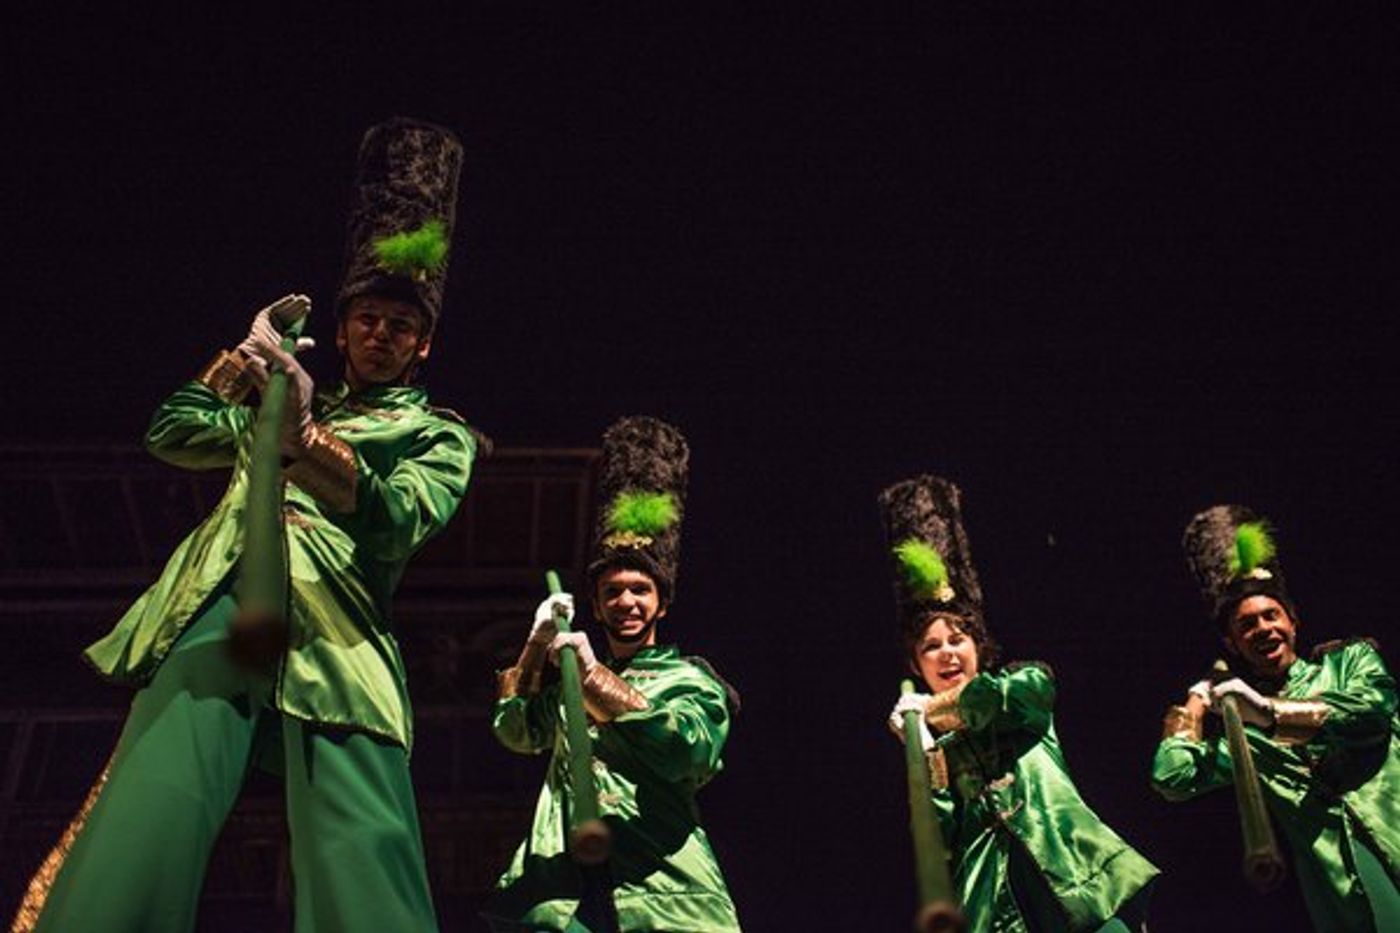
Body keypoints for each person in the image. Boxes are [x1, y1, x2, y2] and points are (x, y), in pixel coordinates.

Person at [15, 117, 476, 933]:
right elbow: (172, 432)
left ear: (424, 345)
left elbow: (402, 514)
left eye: (401, 326)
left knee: (359, 841)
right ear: (343, 328)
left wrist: (305, 440)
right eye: (368, 318)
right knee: (155, 797)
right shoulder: (282, 398)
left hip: (339, 631)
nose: (381, 334)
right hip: (224, 596)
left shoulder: (437, 433)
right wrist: (243, 358)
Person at [485, 416, 741, 932]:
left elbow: (688, 752)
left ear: (661, 604)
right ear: (597, 607)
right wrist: (535, 646)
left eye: (640, 590)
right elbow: (515, 730)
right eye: (612, 592)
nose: (626, 601)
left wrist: (594, 676)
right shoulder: (566, 682)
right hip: (564, 888)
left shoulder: (691, 680)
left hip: (661, 890)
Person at [881, 475, 1156, 933]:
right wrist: (926, 752)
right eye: (931, 646)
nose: (947, 652)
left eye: (957, 638)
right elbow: (939, 842)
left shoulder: (1020, 682)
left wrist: (930, 709)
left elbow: (1013, 698)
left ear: (978, 645)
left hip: (1083, 883)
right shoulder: (936, 748)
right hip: (998, 913)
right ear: (916, 664)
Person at [1151, 505, 1400, 932]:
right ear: (1233, 643)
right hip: (1346, 902)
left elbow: (1372, 711)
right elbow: (1172, 776)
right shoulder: (1246, 737)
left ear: (1293, 622)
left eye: (1271, 616)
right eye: (1246, 625)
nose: (1263, 628)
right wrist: (1195, 702)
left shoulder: (1348, 660)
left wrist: (1270, 713)